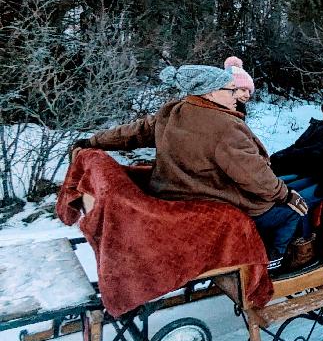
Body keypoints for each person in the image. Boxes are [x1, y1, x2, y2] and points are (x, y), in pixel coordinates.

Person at [71, 64, 306, 271]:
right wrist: (284, 194)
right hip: (210, 198)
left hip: (170, 192)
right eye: (231, 90)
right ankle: (269, 263)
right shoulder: (226, 127)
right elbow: (253, 176)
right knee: (290, 213)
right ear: (212, 92)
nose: (237, 95)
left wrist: (93, 141)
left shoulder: (172, 111)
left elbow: (133, 132)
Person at [270, 93, 323, 179]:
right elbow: (297, 144)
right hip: (298, 162)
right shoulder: (316, 125)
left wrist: (288, 156)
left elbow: (320, 149)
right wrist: (279, 154)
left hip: (314, 170)